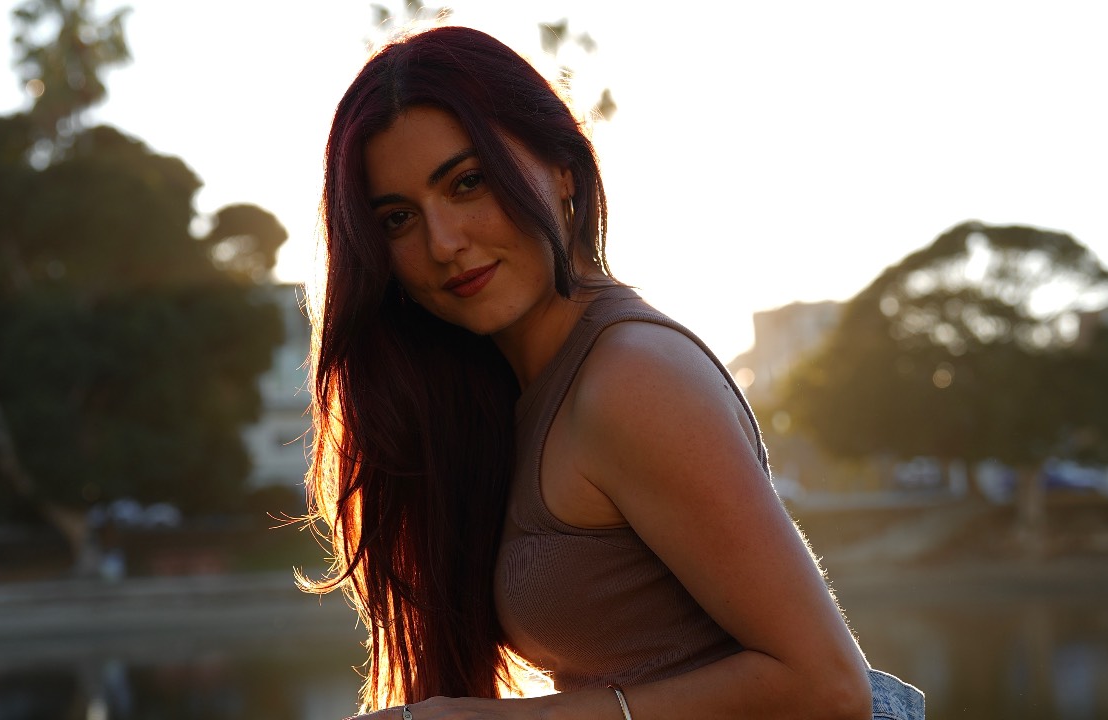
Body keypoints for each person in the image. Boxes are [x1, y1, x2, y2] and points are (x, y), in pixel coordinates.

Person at [302, 25, 924, 720]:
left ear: (562, 168)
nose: (443, 242)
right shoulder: (509, 397)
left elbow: (829, 687)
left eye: (468, 182)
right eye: (397, 219)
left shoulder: (632, 377)